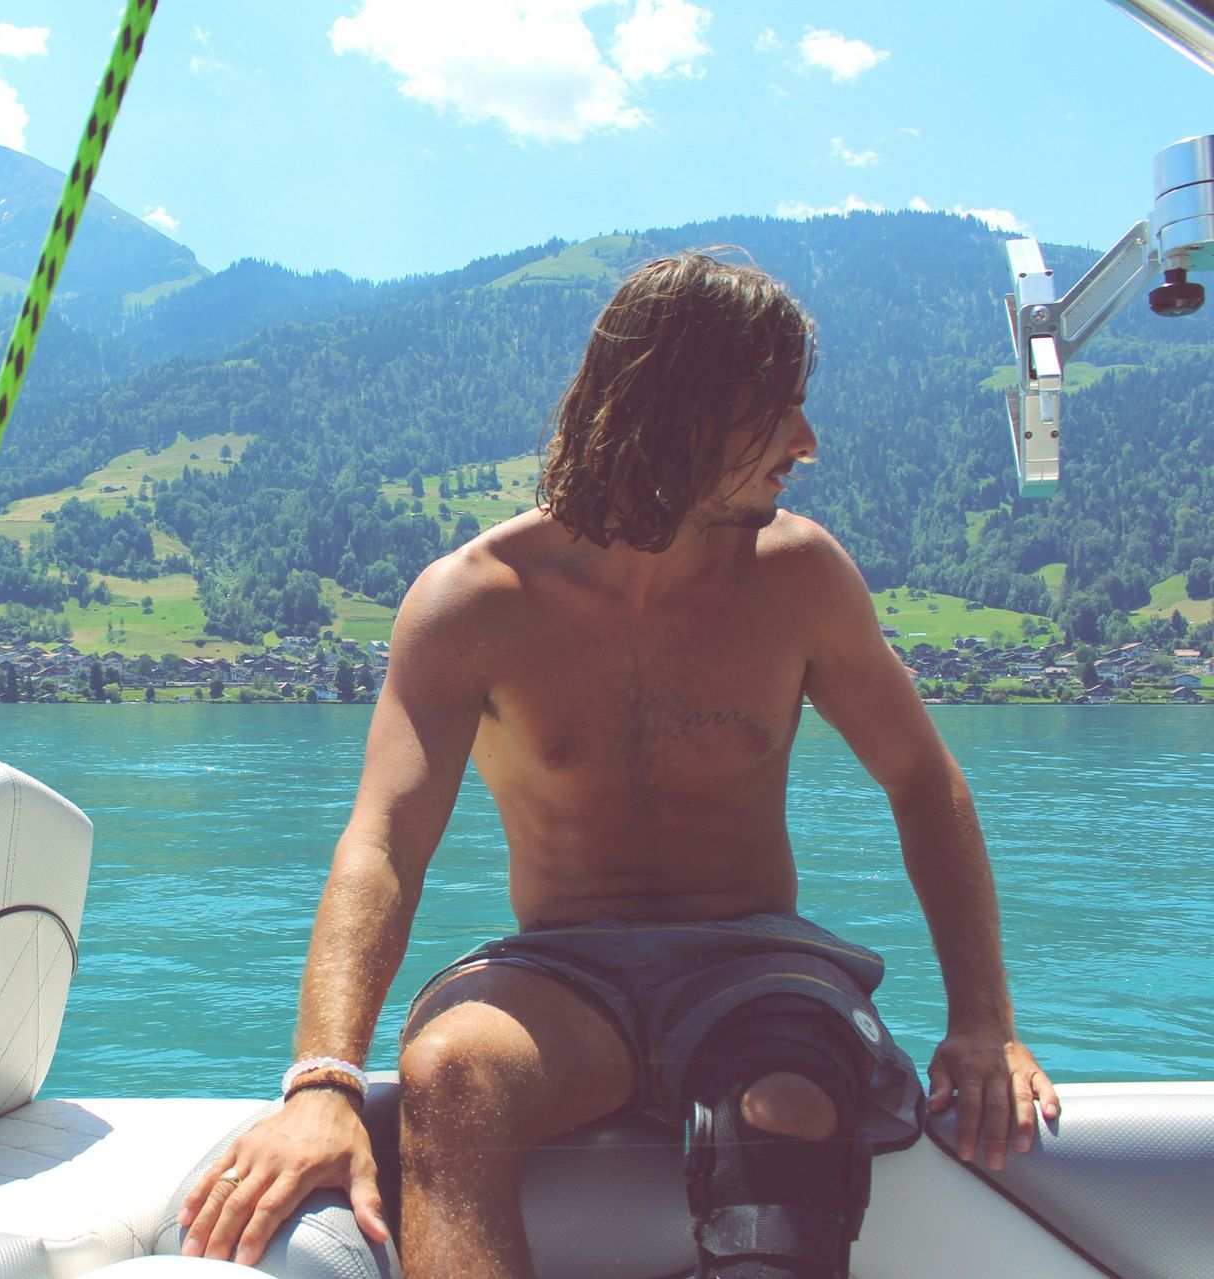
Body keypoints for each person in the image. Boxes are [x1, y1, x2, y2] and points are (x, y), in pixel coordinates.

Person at [179, 253, 1061, 1279]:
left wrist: (984, 1021)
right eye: (778, 411)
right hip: (563, 978)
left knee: (789, 1105)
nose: (808, 443)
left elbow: (924, 782)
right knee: (452, 1074)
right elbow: (385, 841)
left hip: (756, 962)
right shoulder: (475, 600)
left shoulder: (800, 577)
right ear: (680, 407)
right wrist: (324, 1079)